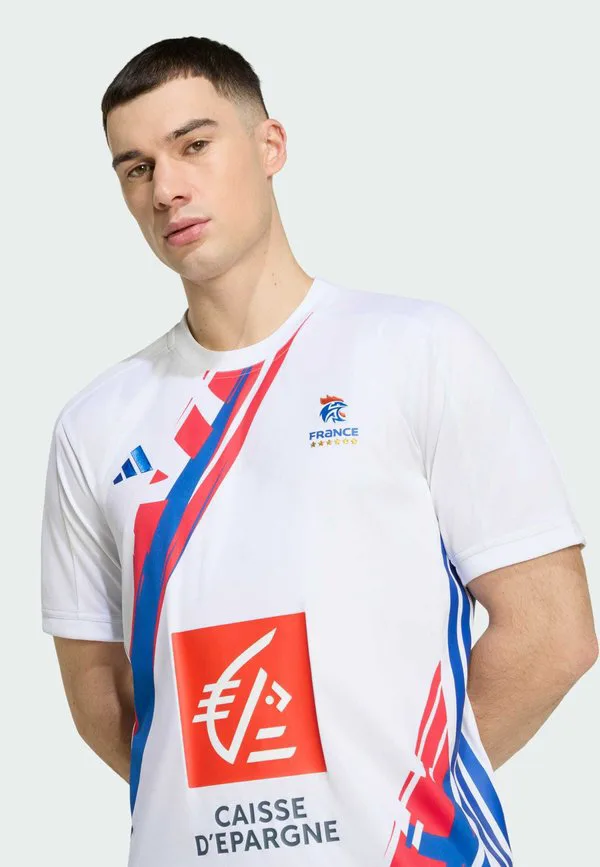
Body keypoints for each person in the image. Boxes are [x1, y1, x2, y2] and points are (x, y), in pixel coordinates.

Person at [40, 35, 597, 867]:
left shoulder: (415, 350)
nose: (167, 188)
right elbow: (102, 700)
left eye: (194, 145)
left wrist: (395, 803)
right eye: (137, 168)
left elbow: (553, 631)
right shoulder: (94, 424)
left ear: (270, 145)